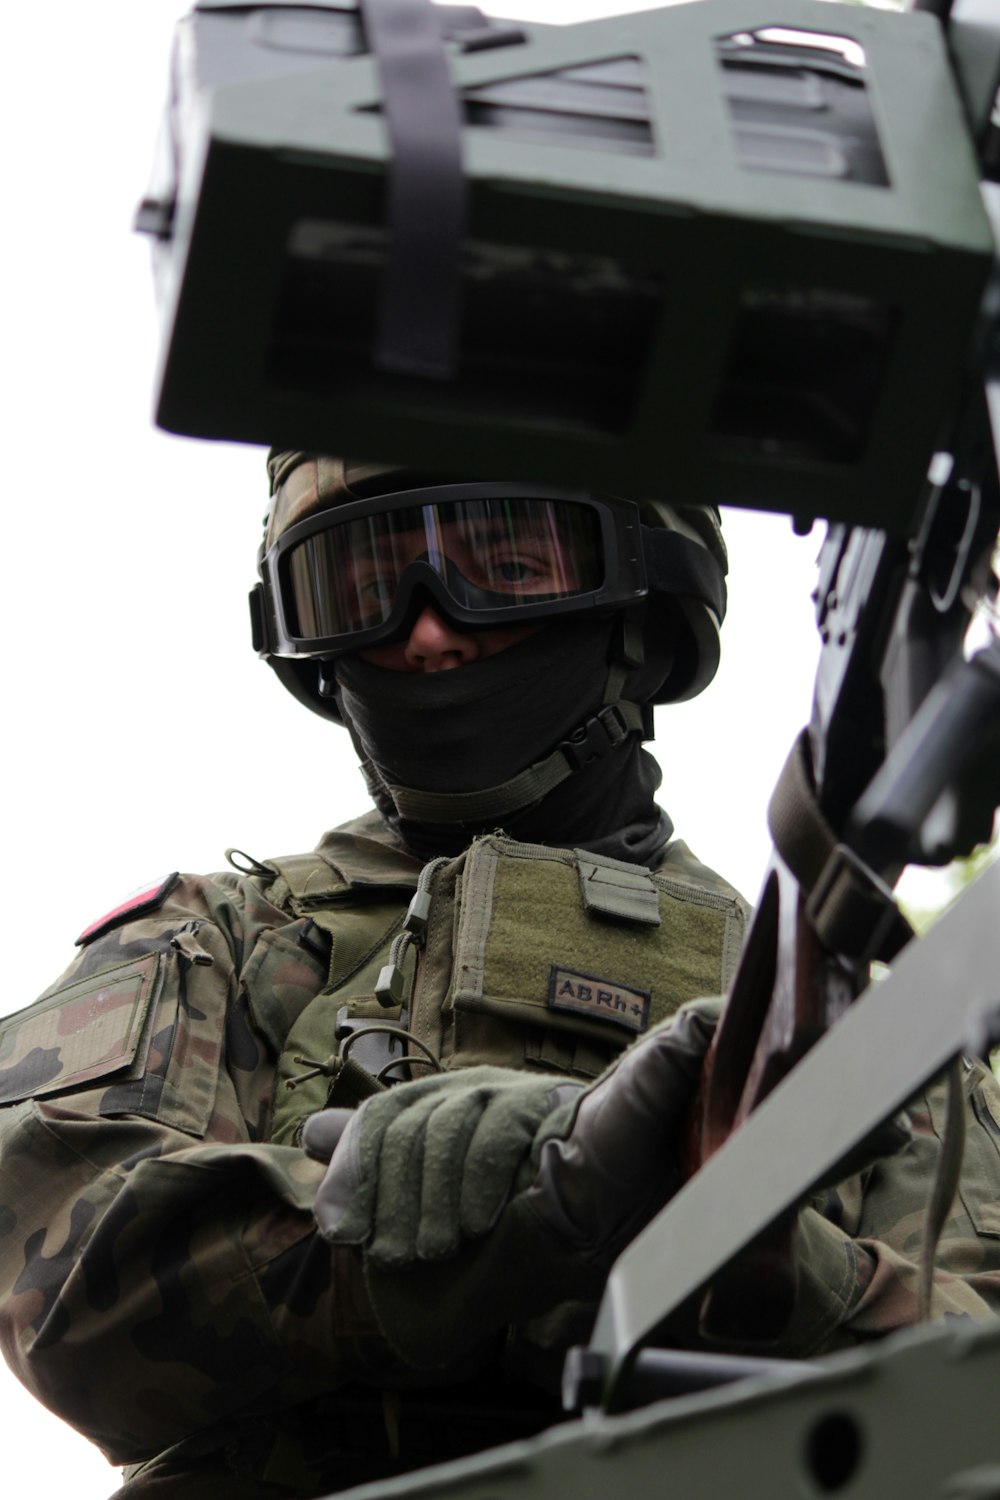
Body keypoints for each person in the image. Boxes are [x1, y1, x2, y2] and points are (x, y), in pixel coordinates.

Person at [0, 453, 998, 1500]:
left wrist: (763, 1268)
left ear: (643, 604)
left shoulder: (840, 1013)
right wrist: (462, 1225)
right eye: (363, 588)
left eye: (509, 566)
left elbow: (975, 1383)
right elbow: (60, 1291)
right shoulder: (225, 937)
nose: (428, 628)